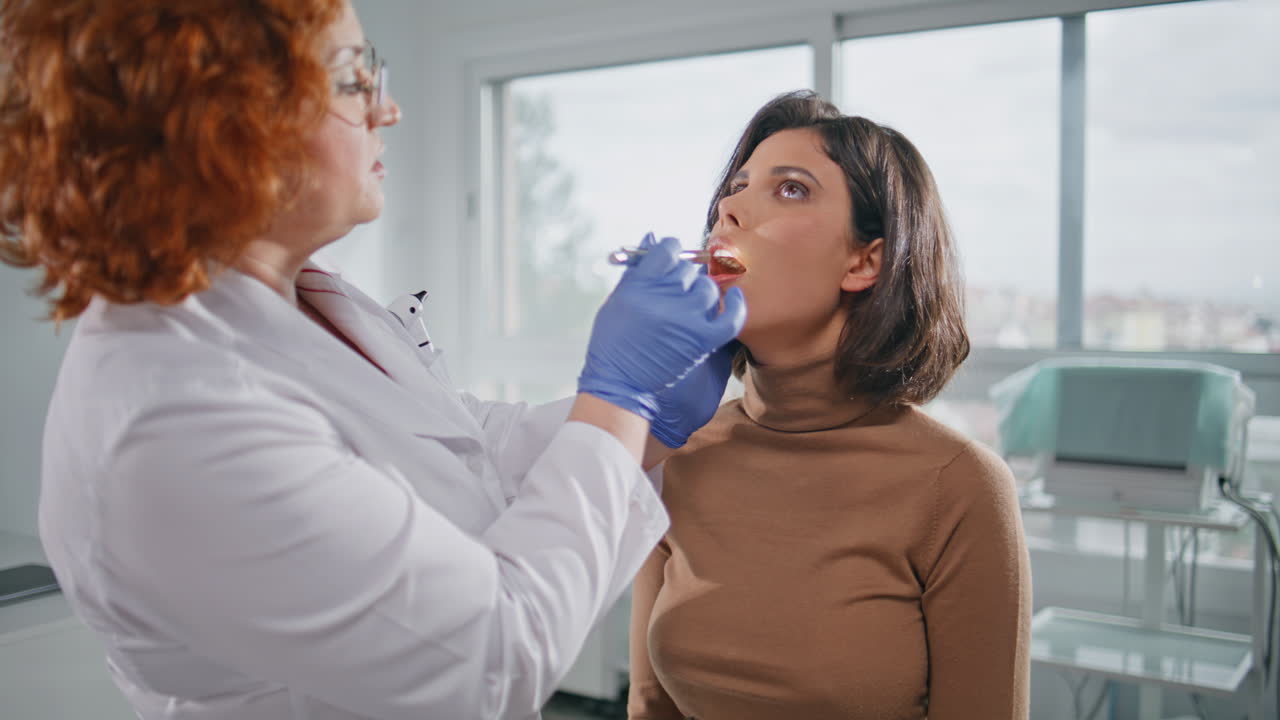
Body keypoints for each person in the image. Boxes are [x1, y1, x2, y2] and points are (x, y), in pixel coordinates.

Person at [0, 2, 744, 719]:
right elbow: (492, 660)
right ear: (227, 125)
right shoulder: (171, 419)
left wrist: (646, 424)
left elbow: (466, 449)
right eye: (355, 81)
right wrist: (619, 396)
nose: (388, 111)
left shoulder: (311, 300)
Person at [627, 90, 1031, 720]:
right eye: (734, 188)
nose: (729, 209)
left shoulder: (958, 489)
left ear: (864, 261)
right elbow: (649, 706)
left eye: (789, 189)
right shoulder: (676, 451)